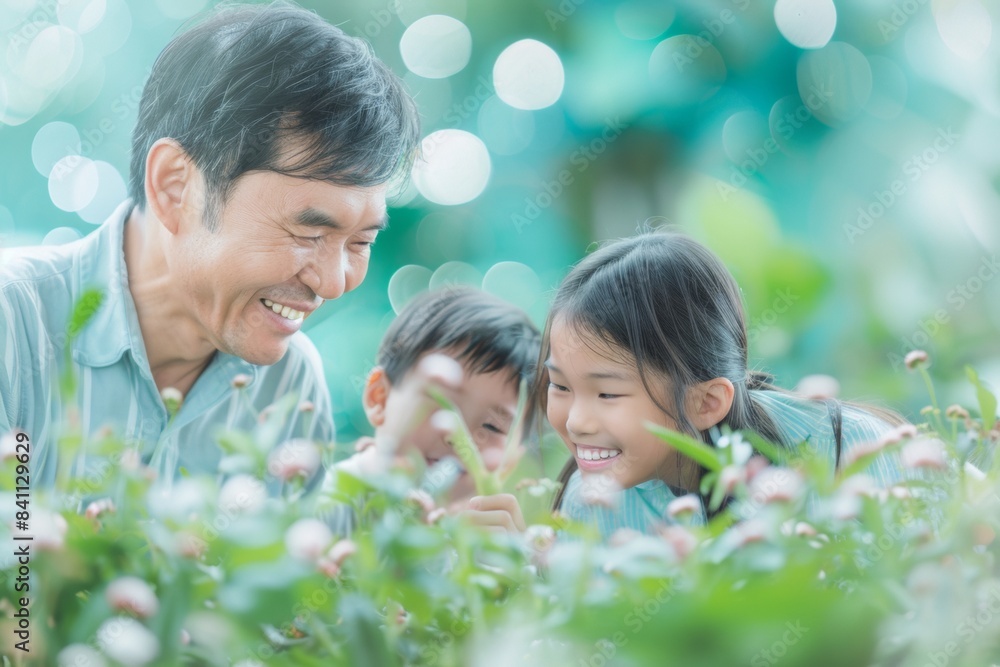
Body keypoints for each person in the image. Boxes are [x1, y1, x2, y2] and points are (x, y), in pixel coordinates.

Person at [0, 2, 420, 488]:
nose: (332, 281)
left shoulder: (289, 388)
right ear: (176, 186)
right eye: (308, 233)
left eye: (360, 242)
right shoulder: (15, 329)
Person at [472, 231, 906, 538]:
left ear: (707, 402)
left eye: (606, 393)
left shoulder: (847, 455)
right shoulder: (590, 505)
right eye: (561, 386)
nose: (577, 422)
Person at [322, 287, 541, 533]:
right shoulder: (326, 506)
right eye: (441, 403)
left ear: (510, 462)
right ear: (379, 398)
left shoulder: (483, 547)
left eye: (492, 426)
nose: (458, 436)